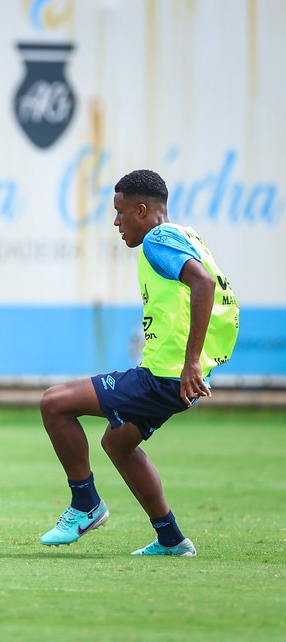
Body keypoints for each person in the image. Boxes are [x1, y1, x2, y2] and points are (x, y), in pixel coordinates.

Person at [38, 169, 239, 557]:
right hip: (174, 378)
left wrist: (191, 363)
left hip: (165, 377)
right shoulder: (188, 236)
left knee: (54, 403)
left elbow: (203, 284)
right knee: (118, 443)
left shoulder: (157, 240)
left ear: (142, 210)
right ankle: (171, 539)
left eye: (120, 211)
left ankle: (85, 504)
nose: (116, 222)